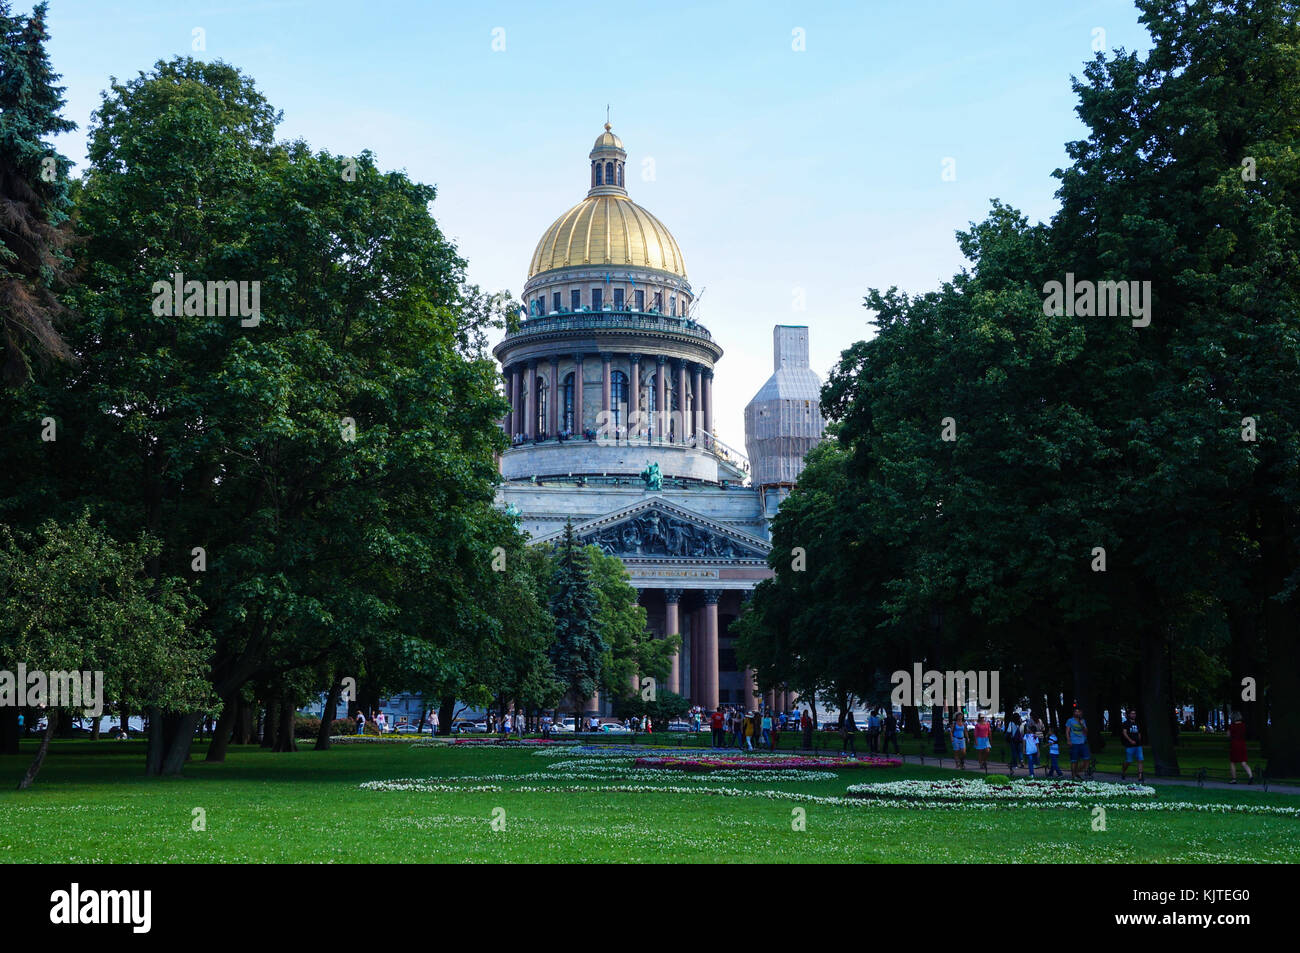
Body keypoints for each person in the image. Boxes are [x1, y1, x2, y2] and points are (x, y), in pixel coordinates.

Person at [1120, 709, 1144, 783]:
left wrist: (1139, 740)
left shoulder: (1137, 723)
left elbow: (1139, 733)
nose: (1134, 715)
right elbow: (1124, 733)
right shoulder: (1126, 723)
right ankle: (1123, 771)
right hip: (1129, 746)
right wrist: (1130, 740)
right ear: (1129, 715)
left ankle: (1140, 776)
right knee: (1129, 761)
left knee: (1140, 760)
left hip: (1138, 745)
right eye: (1132, 713)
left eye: (1134, 714)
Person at [1228, 711, 1253, 783]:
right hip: (1242, 745)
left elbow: (1228, 735)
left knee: (1232, 762)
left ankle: (1234, 779)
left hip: (1234, 745)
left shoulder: (1232, 726)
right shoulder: (1243, 726)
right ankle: (1250, 776)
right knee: (1243, 763)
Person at [1065, 708, 1089, 779]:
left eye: (1079, 712)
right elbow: (1067, 731)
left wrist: (1082, 724)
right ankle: (1073, 777)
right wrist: (1068, 740)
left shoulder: (1083, 721)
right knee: (1074, 760)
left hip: (1083, 742)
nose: (1077, 713)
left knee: (1086, 759)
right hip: (1074, 742)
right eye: (1076, 711)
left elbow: (1086, 731)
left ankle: (1077, 772)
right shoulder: (1070, 720)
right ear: (1074, 713)